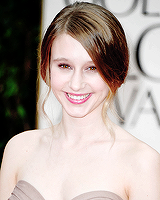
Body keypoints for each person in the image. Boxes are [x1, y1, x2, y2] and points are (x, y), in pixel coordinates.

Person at [0, 2, 160, 200]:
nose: (76, 84)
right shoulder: (19, 148)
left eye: (91, 68)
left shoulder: (141, 161)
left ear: (115, 73)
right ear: (47, 67)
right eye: (64, 65)